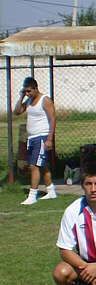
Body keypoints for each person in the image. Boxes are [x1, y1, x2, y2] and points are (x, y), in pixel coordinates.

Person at [13, 77, 57, 205]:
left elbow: (53, 119)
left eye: (29, 91)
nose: (27, 93)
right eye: (25, 91)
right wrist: (22, 97)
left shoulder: (45, 100)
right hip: (31, 138)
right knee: (41, 165)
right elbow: (17, 112)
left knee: (34, 166)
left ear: (36, 89)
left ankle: (33, 194)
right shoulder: (29, 101)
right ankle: (51, 191)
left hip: (41, 137)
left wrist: (49, 139)